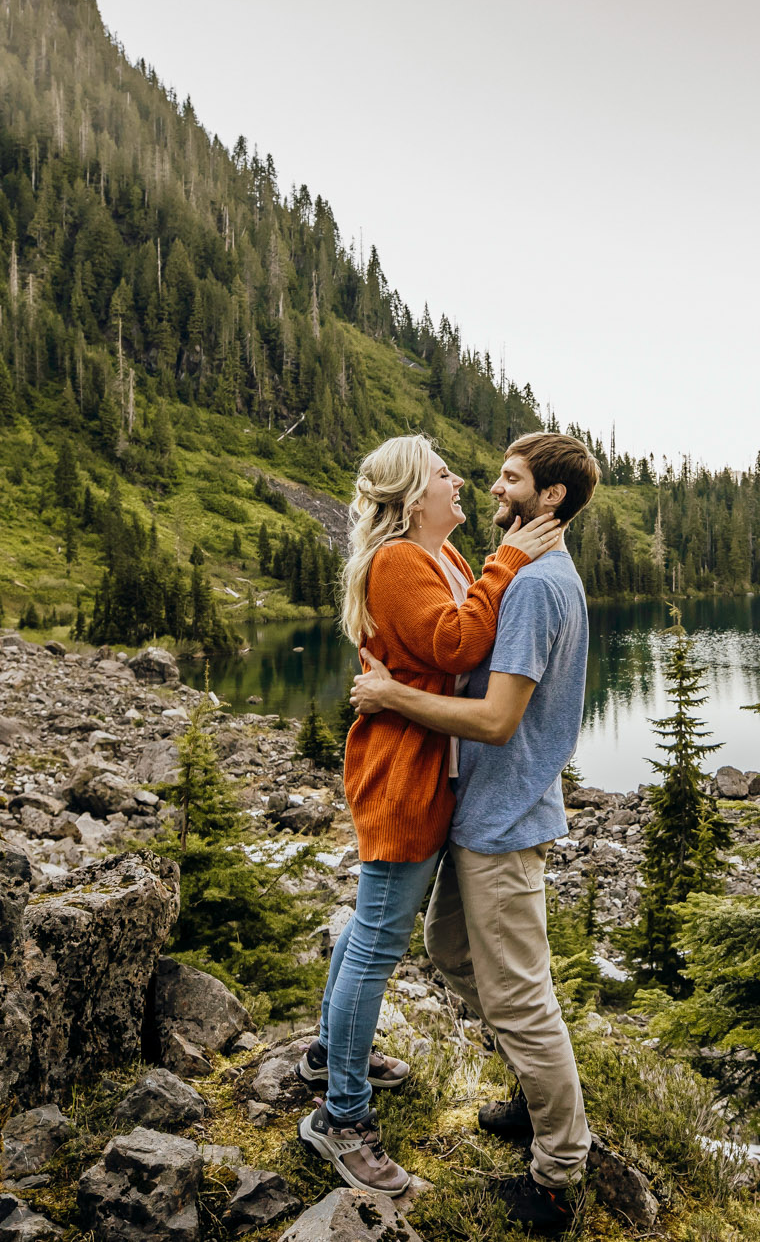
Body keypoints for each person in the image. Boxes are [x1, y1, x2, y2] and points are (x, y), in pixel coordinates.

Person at [298, 434, 566, 1197]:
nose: (465, 484)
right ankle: (341, 1115)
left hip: (425, 774)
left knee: (366, 925)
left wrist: (496, 569)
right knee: (378, 939)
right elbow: (457, 639)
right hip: (402, 779)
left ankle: (329, 1053)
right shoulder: (398, 562)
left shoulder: (437, 558)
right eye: (446, 474)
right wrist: (509, 561)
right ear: (416, 497)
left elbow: (454, 649)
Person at [350, 431, 601, 1233]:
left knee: (523, 999)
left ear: (549, 498)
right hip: (483, 812)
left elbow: (496, 718)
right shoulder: (533, 571)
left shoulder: (532, 586)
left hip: (501, 820)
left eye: (510, 478)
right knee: (451, 951)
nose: (494, 488)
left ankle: (559, 1168)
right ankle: (535, 1090)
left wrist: (392, 698)